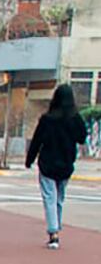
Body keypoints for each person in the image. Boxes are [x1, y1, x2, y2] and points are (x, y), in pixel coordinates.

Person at [26, 84, 88, 249]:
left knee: (50, 198)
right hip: (66, 164)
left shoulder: (47, 119)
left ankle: (53, 232)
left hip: (47, 163)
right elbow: (82, 137)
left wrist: (29, 159)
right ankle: (56, 228)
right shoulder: (75, 118)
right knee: (59, 198)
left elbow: (37, 141)